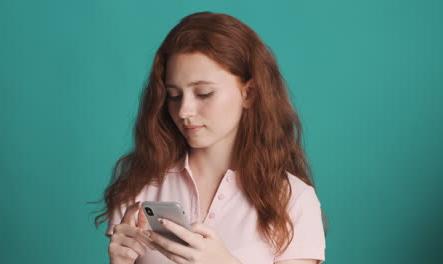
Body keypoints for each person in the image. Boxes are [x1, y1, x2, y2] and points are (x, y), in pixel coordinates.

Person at [93, 11, 327, 264]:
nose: (184, 111)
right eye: (173, 95)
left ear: (249, 94)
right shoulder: (140, 187)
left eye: (203, 93)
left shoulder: (293, 200)